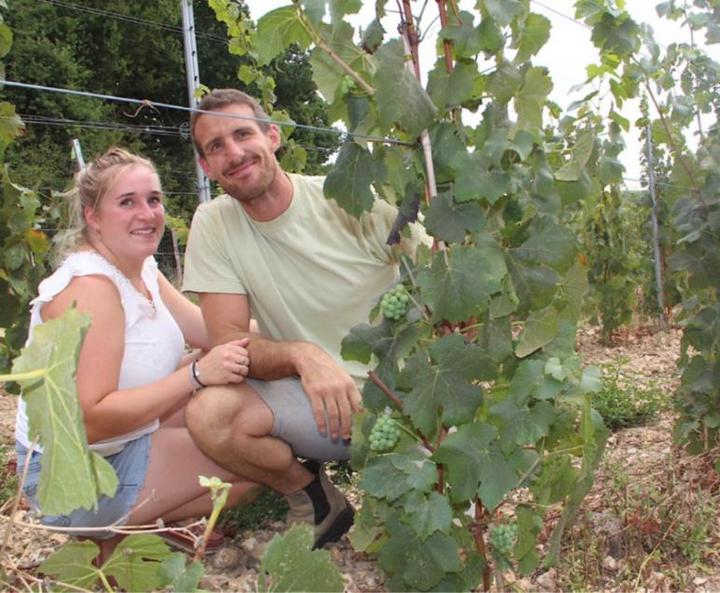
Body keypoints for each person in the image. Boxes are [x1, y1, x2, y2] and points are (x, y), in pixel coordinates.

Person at [182, 89, 429, 547]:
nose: (233, 153)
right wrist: (303, 355)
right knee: (210, 411)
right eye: (215, 147)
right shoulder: (214, 223)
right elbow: (228, 340)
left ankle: (406, 466)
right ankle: (314, 497)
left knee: (423, 536)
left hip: (400, 405)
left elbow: (441, 277)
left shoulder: (349, 200)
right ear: (206, 167)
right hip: (318, 408)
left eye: (242, 134)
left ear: (272, 136)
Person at [14, 148, 260, 558]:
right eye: (127, 202)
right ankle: (114, 532)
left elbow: (207, 329)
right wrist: (196, 374)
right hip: (70, 476)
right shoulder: (93, 288)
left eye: (154, 199)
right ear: (93, 216)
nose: (147, 213)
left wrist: (293, 327)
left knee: (238, 412)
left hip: (118, 440)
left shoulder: (141, 268)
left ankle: (144, 522)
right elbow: (91, 421)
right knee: (251, 463)